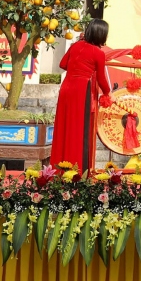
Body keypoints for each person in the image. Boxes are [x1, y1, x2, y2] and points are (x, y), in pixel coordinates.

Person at [50, 19, 113, 171]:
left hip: (66, 88)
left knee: (64, 126)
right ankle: (78, 169)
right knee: (79, 129)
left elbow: (63, 64)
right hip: (82, 90)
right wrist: (108, 93)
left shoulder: (75, 46)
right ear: (101, 35)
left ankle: (59, 167)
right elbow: (102, 79)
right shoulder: (98, 53)